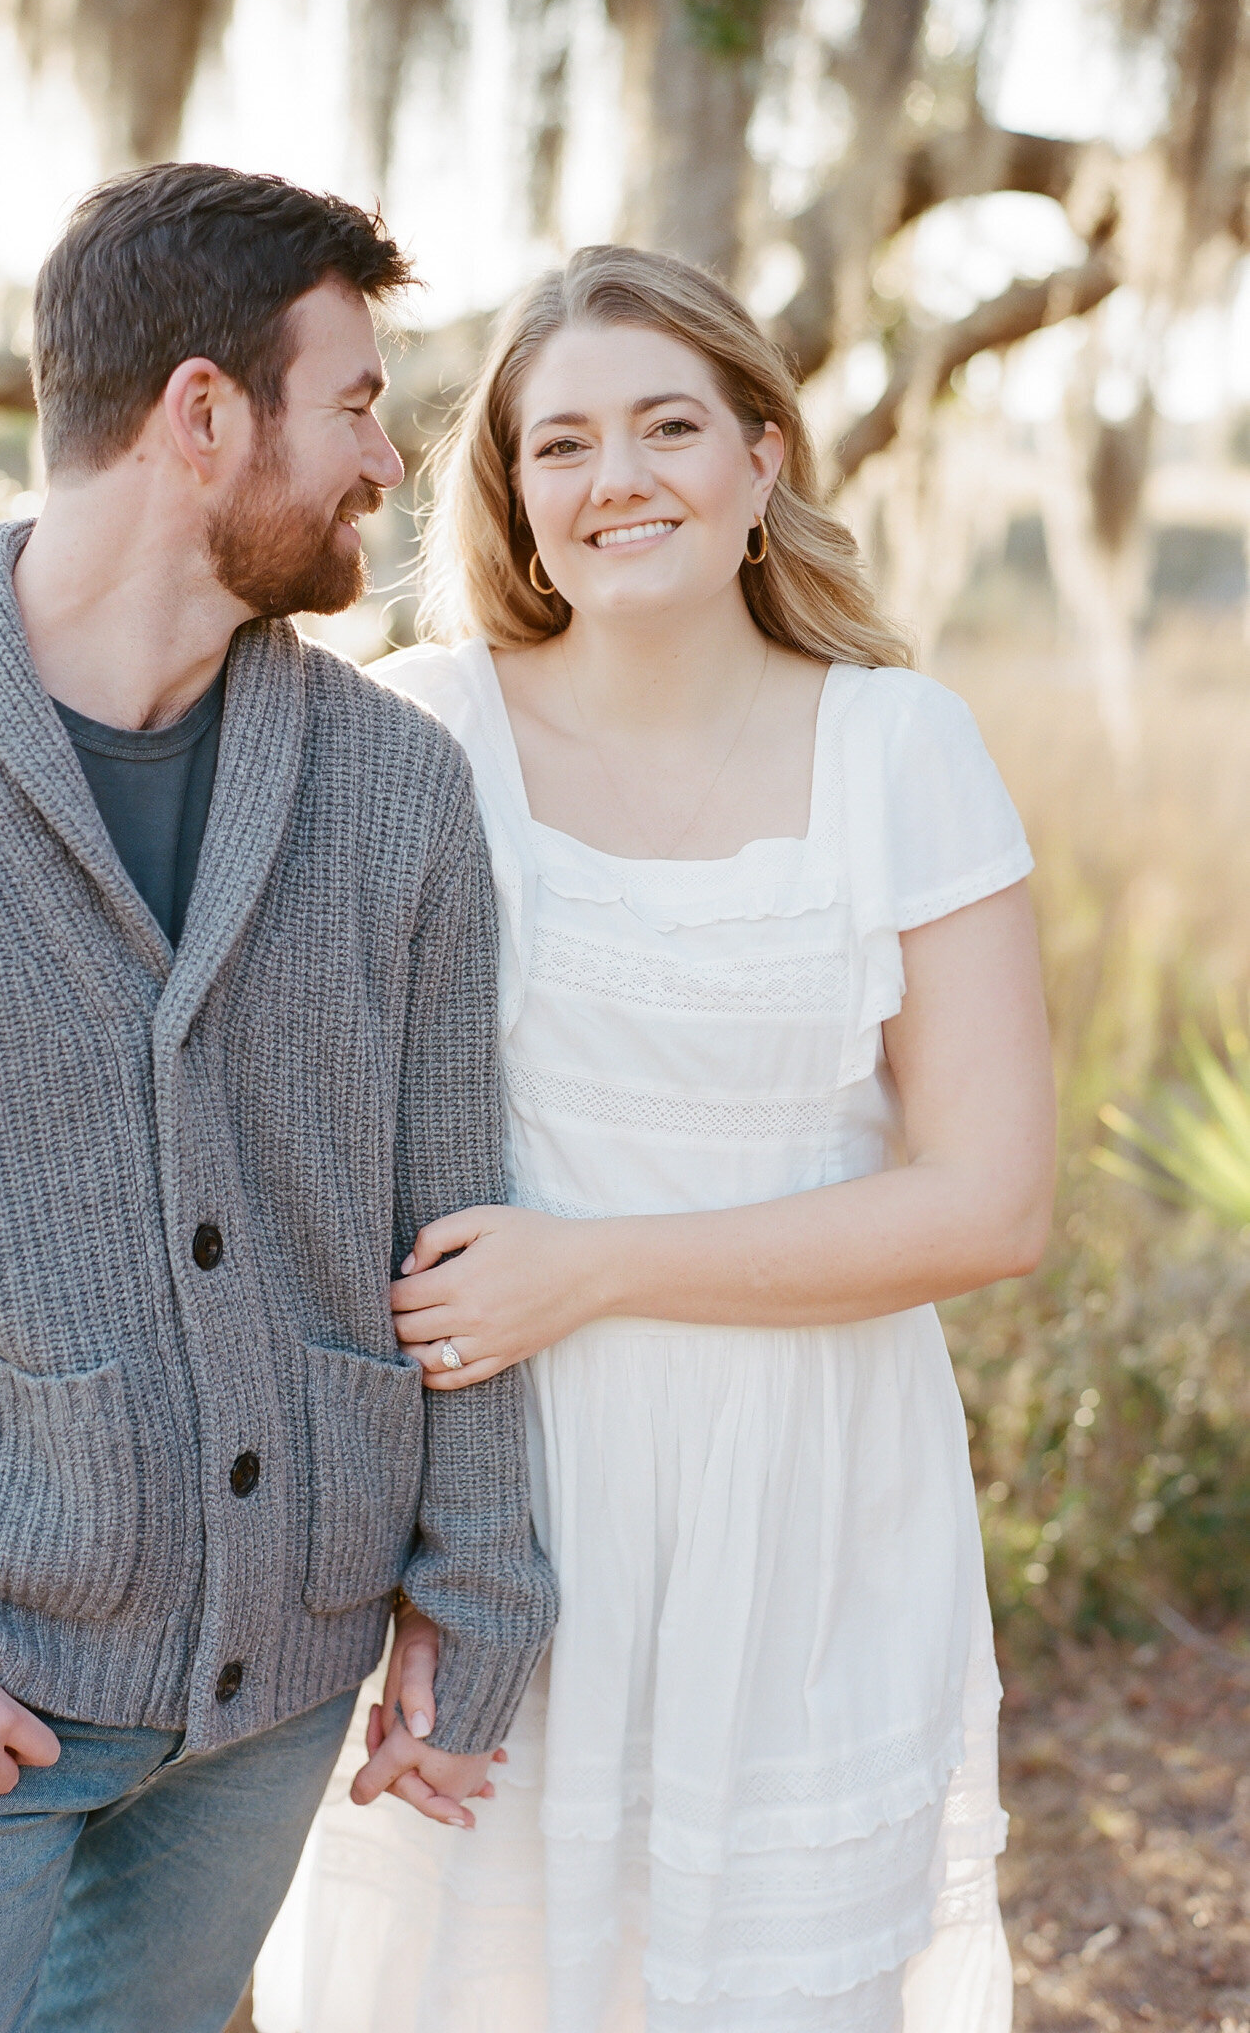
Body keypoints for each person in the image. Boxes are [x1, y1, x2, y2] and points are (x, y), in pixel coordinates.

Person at [0, 162, 555, 2033]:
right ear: (204, 415)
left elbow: (459, 1241)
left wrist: (477, 1586)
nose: (389, 459)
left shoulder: (396, 794)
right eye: (354, 402)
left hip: (275, 1715)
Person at [302, 244, 1055, 2031]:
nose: (615, 477)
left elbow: (993, 1201)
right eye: (560, 445)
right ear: (514, 494)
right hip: (503, 1507)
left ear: (762, 461)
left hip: (808, 1498)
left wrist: (598, 1267)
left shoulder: (901, 748)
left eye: (667, 426)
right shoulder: (425, 733)